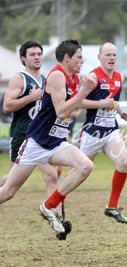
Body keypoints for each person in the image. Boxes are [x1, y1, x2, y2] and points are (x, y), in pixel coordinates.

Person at [0, 39, 97, 235]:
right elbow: (61, 111)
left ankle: (49, 207)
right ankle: (53, 213)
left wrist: (103, 103)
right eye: (79, 58)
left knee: (86, 166)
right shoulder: (56, 76)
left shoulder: (73, 78)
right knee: (8, 192)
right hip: (36, 143)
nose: (82, 62)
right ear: (67, 58)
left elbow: (77, 102)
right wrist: (84, 91)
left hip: (56, 143)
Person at [1, 40, 59, 207]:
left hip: (39, 137)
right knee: (10, 184)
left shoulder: (44, 79)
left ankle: (54, 215)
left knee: (51, 176)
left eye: (39, 54)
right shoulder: (19, 79)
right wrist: (30, 98)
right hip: (22, 135)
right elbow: (7, 106)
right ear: (23, 58)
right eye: (32, 55)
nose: (37, 57)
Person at [78, 42, 127, 224]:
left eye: (114, 55)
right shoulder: (92, 77)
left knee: (123, 162)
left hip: (111, 131)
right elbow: (78, 102)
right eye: (107, 55)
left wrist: (121, 111)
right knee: (79, 172)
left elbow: (112, 101)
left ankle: (112, 207)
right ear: (99, 57)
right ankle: (54, 202)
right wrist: (102, 104)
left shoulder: (119, 77)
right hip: (92, 133)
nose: (111, 58)